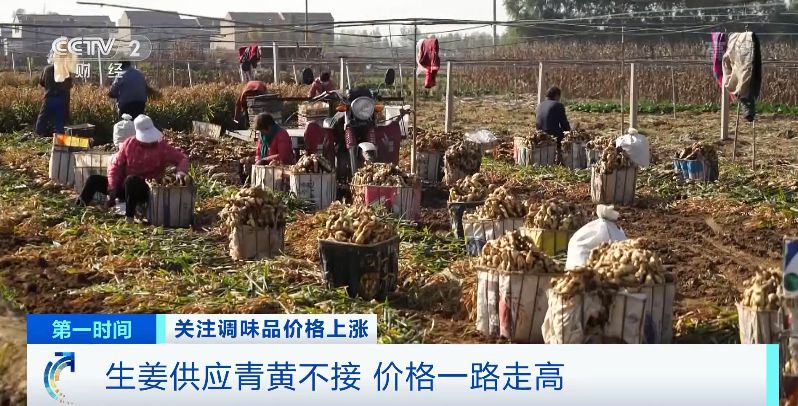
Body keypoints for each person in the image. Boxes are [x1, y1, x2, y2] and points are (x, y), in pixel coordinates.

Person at [106, 114, 189, 223]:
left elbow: (182, 158)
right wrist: (112, 187)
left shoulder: (161, 147)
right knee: (93, 180)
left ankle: (129, 218)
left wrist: (181, 171)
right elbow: (115, 166)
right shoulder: (129, 144)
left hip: (150, 190)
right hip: (127, 189)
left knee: (131, 180)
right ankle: (84, 208)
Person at [76, 114, 137, 207]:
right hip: (126, 188)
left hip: (128, 190)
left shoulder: (124, 155)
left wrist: (112, 197)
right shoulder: (137, 150)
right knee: (93, 180)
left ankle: (79, 206)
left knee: (94, 180)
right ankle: (80, 205)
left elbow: (114, 175)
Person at [35, 64, 72, 136]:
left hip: (49, 96)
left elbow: (42, 82)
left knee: (43, 117)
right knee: (59, 118)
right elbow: (69, 85)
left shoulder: (47, 69)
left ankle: (39, 133)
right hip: (61, 98)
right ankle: (59, 135)